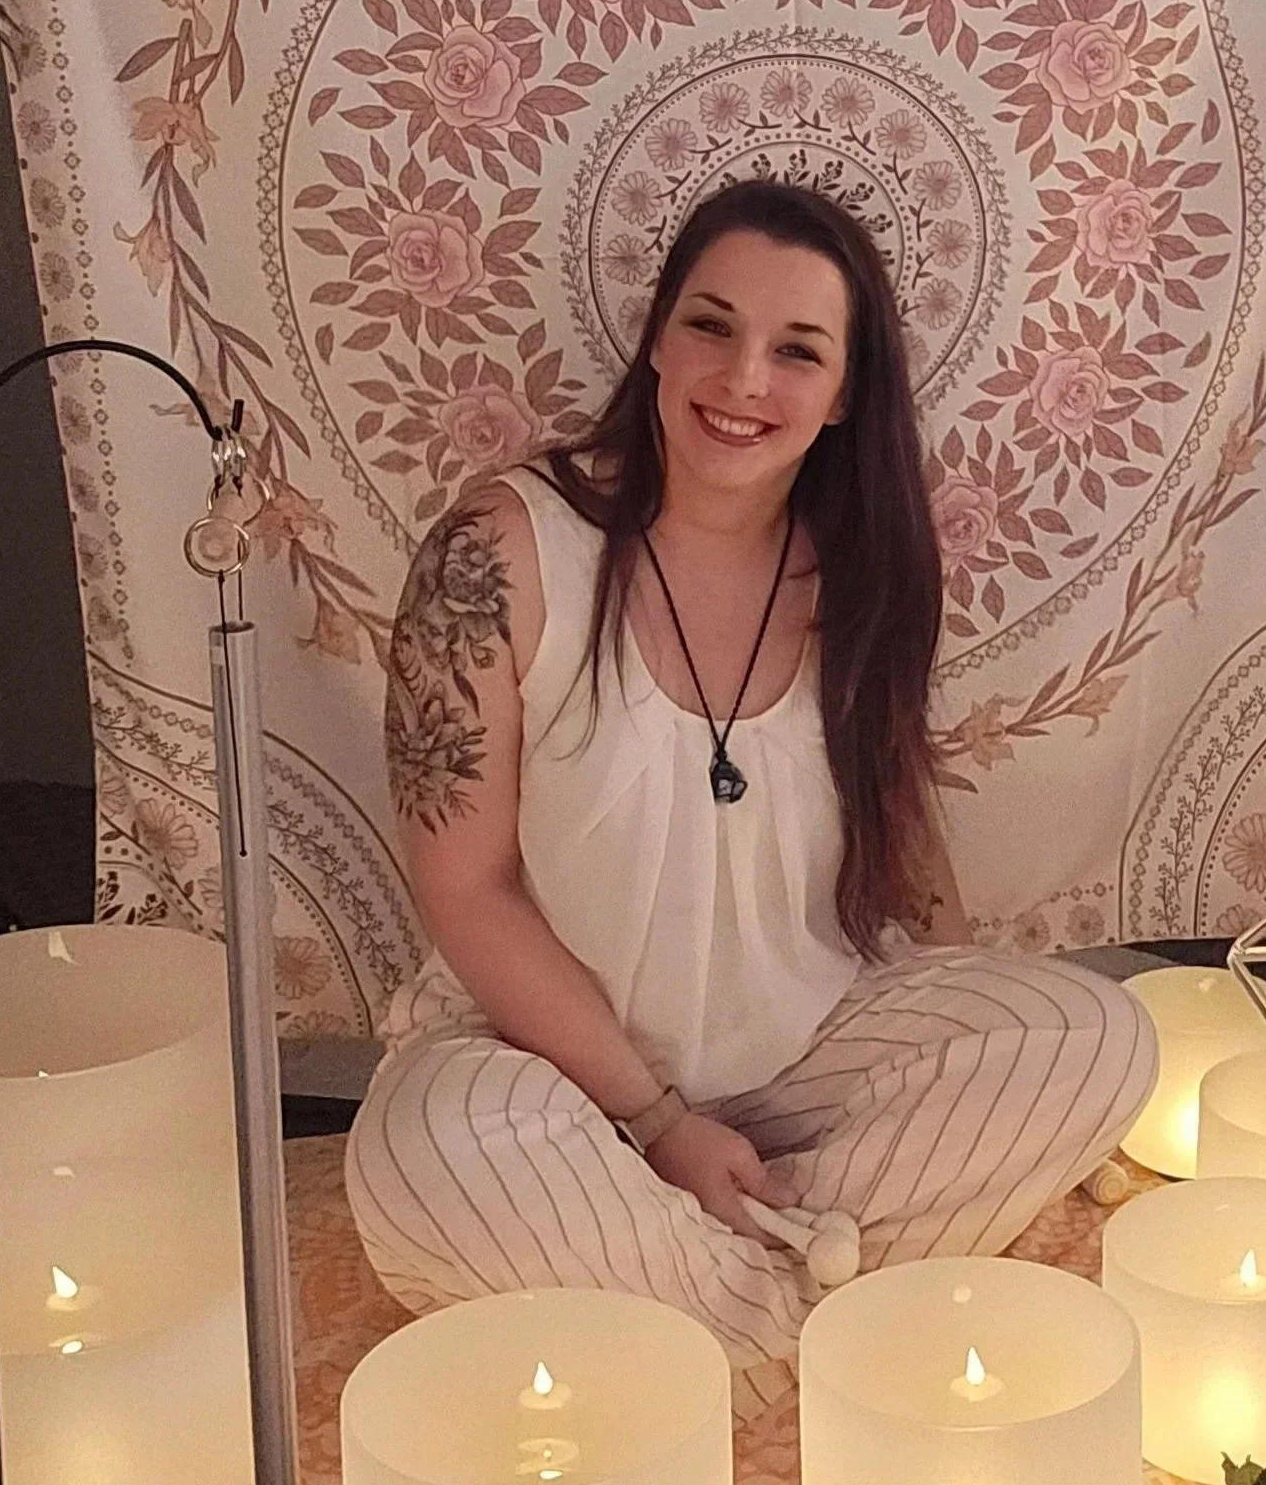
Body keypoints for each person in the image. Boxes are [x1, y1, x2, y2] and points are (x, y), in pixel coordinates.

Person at [347, 180, 1153, 1400]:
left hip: (802, 1057)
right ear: (658, 337)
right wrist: (658, 1121)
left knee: (1097, 1036)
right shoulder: (502, 549)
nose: (742, 380)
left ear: (842, 398)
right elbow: (464, 887)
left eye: (798, 351)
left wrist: (990, 1046)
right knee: (431, 1159)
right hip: (540, 1066)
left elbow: (901, 830)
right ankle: (805, 1327)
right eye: (711, 326)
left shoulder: (862, 568)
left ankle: (692, 1320)